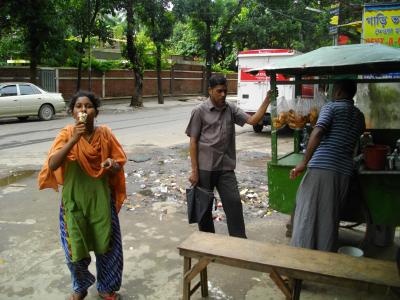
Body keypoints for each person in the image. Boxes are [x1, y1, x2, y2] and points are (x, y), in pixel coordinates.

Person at [38, 91, 126, 300]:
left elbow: (119, 163)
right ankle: (80, 287)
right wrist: (74, 139)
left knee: (108, 247)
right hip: (74, 201)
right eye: (79, 106)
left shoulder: (105, 134)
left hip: (101, 201)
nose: (84, 110)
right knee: (73, 250)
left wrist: (112, 164)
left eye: (88, 106)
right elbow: (52, 164)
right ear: (72, 112)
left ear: (96, 111)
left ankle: (106, 287)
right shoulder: (66, 134)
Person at [185, 74, 274, 238]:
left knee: (233, 204)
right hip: (205, 169)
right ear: (210, 90)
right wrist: (194, 171)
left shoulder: (230, 108)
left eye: (225, 91)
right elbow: (193, 142)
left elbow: (253, 120)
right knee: (203, 209)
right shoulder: (199, 111)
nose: (223, 95)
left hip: (225, 168)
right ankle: (206, 243)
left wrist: (267, 100)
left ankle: (239, 242)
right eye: (219, 91)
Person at [289, 79, 365, 252]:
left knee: (306, 213)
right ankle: (323, 259)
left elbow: (317, 132)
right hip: (344, 172)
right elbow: (353, 143)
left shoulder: (331, 108)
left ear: (337, 92)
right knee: (329, 218)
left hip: (322, 168)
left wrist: (302, 163)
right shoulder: (359, 116)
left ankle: (299, 259)